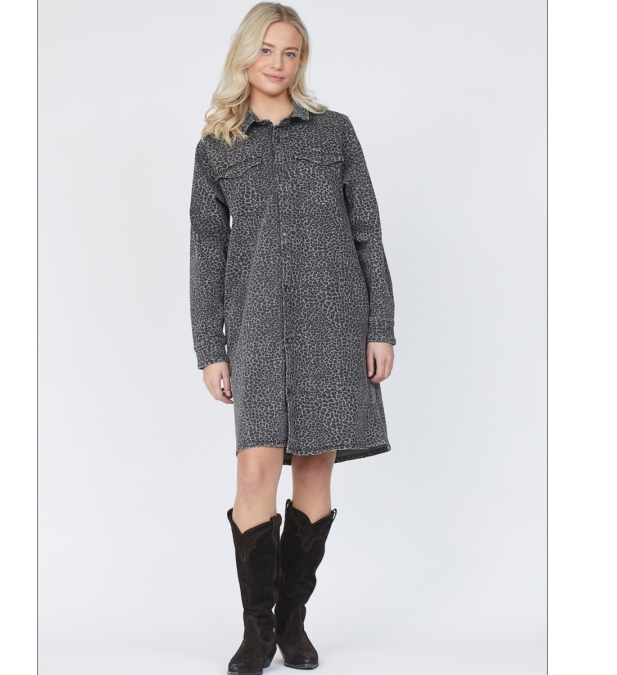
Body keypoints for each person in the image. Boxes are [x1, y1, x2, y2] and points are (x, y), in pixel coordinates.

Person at [189, 3, 396, 673]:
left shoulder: (334, 132)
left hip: (333, 325)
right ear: (244, 54)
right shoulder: (217, 148)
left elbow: (367, 231)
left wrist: (380, 327)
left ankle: (292, 624)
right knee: (255, 466)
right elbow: (206, 254)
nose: (278, 63)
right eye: (267, 49)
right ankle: (256, 630)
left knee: (313, 467)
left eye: (291, 52)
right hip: (255, 328)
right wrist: (210, 347)